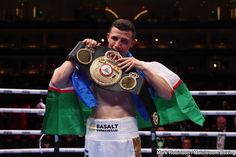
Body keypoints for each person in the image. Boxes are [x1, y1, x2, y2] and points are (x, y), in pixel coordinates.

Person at [41, 19, 205, 157]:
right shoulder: (90, 63)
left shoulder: (139, 68)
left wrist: (141, 66)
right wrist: (79, 51)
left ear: (133, 43)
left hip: (126, 131)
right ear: (107, 37)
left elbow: (167, 94)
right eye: (114, 38)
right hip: (95, 130)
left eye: (124, 41)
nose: (117, 44)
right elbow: (56, 81)